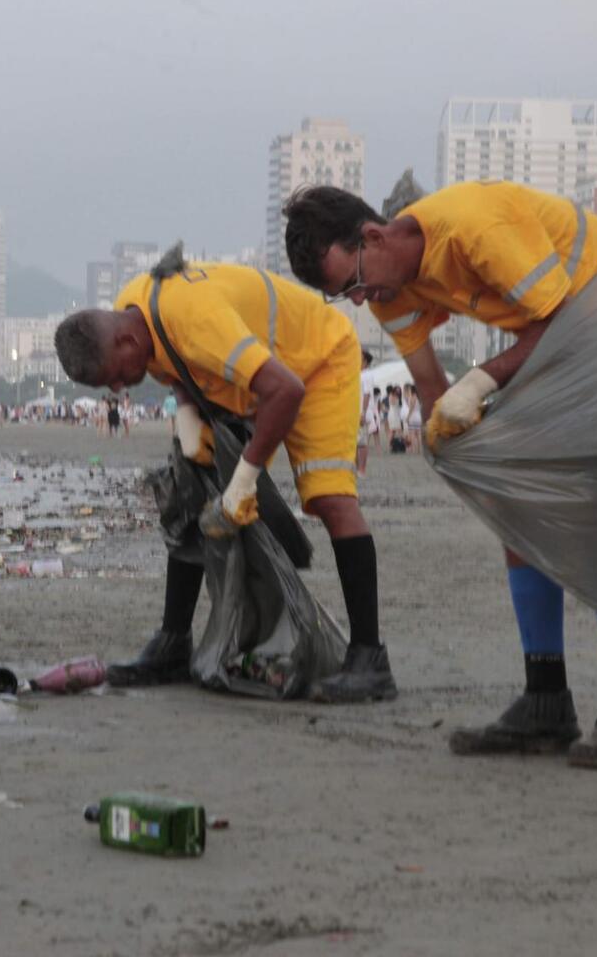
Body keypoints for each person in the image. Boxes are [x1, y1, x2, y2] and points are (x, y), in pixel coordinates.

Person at [284, 180, 597, 767]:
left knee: (592, 512)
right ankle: (546, 698)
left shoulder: (475, 229)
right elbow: (431, 391)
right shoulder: (387, 287)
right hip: (560, 341)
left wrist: (480, 381)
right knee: (515, 509)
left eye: (353, 283)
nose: (359, 300)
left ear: (374, 236)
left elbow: (563, 327)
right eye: (343, 295)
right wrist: (458, 456)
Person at [54, 251, 396, 702]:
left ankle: (369, 659)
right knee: (188, 489)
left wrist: (243, 481)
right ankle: (173, 642)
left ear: (125, 344)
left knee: (331, 498)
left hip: (316, 362)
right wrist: (189, 411)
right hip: (251, 376)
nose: (119, 389)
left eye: (115, 378)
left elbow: (285, 390)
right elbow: (174, 361)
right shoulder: (132, 308)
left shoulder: (198, 321)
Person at [357, 351, 374, 474]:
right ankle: (357, 468)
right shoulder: (360, 374)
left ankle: (362, 470)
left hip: (362, 412)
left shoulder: (367, 375)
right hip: (357, 411)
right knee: (356, 442)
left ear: (366, 362)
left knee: (362, 442)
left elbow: (367, 394)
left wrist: (363, 412)